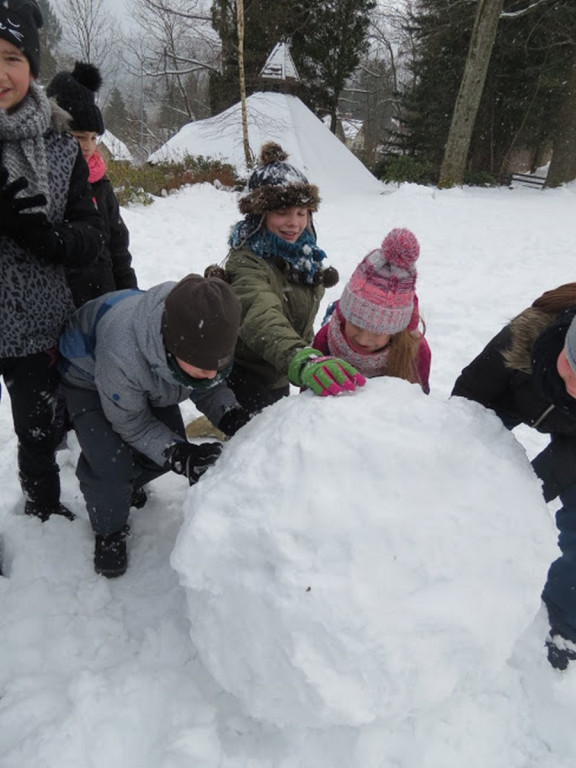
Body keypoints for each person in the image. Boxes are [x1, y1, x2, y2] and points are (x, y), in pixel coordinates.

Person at [58, 274, 250, 578]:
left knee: (160, 452)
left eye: (220, 363)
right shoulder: (122, 354)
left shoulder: (202, 338)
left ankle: (122, 489)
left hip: (148, 378)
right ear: (173, 348)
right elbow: (132, 423)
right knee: (111, 465)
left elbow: (209, 385)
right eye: (202, 366)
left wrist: (231, 416)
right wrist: (181, 455)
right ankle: (109, 528)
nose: (213, 372)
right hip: (88, 374)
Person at [0, 0, 104, 522]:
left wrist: (49, 239)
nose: (1, 72)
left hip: (35, 324)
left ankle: (41, 504)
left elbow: (92, 233)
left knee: (36, 427)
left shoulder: (62, 148)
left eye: (11, 56)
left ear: (32, 67)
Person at [452, 283, 576, 670]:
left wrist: (529, 488)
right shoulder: (524, 337)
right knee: (460, 470)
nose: (575, 385)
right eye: (574, 366)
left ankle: (561, 621)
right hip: (515, 394)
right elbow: (467, 404)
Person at [205, 141, 364, 416]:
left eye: (301, 213)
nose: (294, 223)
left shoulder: (304, 255)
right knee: (255, 441)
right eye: (282, 213)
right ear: (260, 215)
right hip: (246, 372)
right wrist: (299, 357)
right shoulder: (246, 261)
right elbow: (261, 313)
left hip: (281, 367)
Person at [46, 61, 138, 307]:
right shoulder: (46, 183)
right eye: (78, 137)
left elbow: (119, 249)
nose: (87, 146)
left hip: (104, 301)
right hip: (61, 307)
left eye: (93, 138)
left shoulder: (101, 184)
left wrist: (130, 299)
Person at [313, 228, 431, 393]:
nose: (363, 339)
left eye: (377, 332)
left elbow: (419, 409)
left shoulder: (414, 353)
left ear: (396, 331)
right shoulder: (326, 340)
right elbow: (308, 407)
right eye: (356, 324)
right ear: (346, 313)